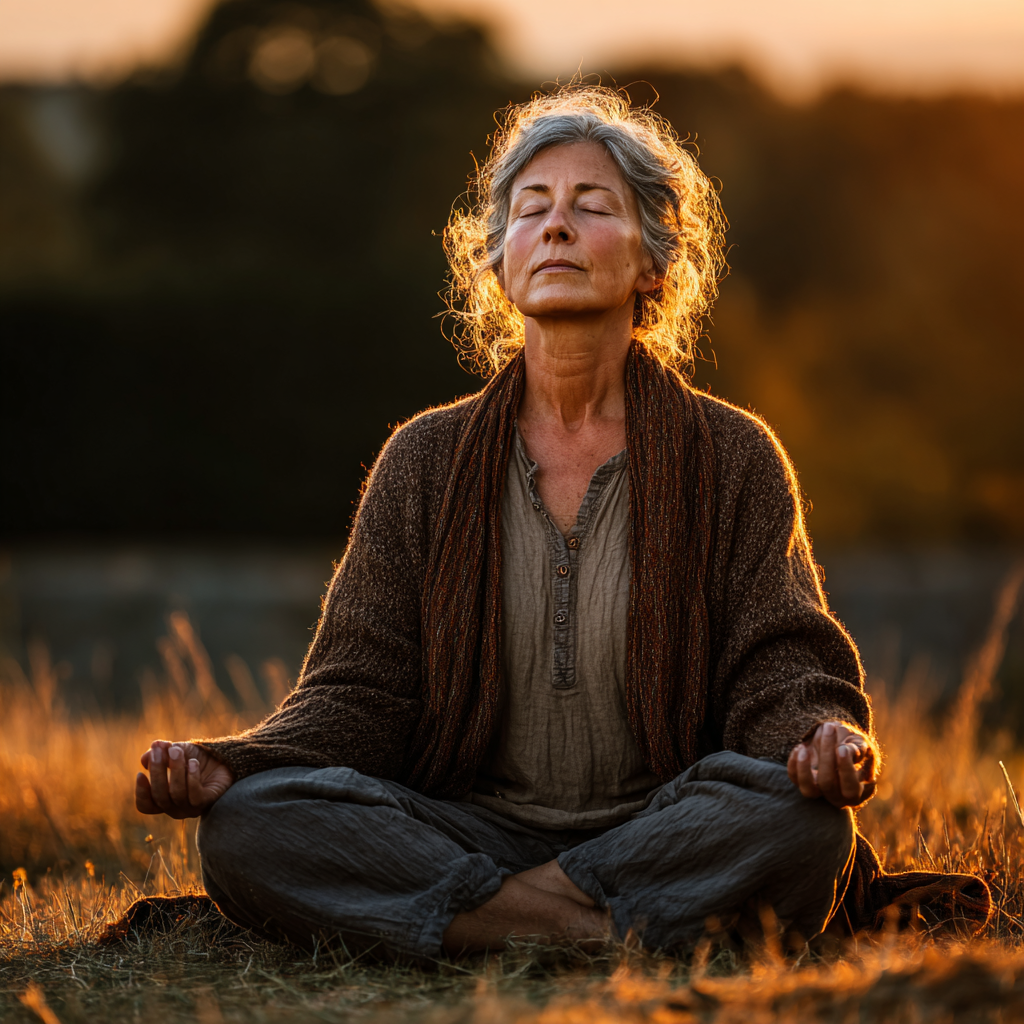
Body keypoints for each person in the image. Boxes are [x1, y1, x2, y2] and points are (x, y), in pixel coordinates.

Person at [135, 85, 882, 957]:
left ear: (654, 262)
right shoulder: (425, 459)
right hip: (466, 830)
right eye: (533, 210)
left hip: (663, 823)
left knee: (804, 825)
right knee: (248, 825)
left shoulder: (733, 455)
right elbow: (360, 691)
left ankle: (480, 925)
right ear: (498, 261)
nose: (557, 226)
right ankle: (598, 933)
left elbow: (780, 657)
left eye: (591, 206)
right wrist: (238, 765)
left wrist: (818, 740)